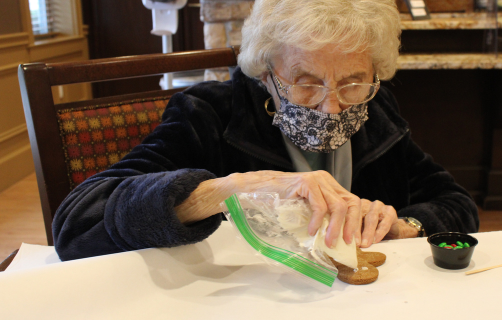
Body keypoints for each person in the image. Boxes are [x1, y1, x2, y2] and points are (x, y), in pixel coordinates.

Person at [53, 0, 479, 261]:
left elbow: (455, 203)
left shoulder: (375, 107)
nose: (331, 105)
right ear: (266, 73)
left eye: (352, 81)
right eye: (305, 81)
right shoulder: (209, 113)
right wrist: (231, 190)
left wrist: (402, 224)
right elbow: (76, 223)